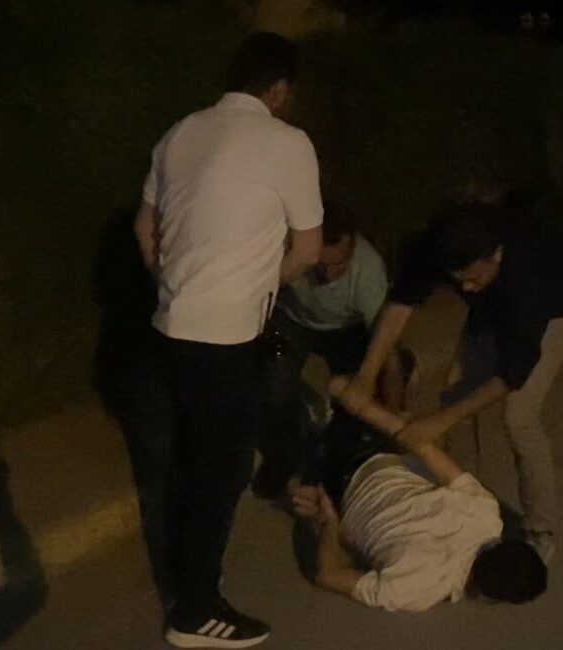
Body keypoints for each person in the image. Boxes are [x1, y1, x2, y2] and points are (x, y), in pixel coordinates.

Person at [133, 33, 324, 649]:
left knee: (186, 461)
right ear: (280, 88)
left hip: (170, 327)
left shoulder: (181, 131)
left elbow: (145, 226)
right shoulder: (287, 143)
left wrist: (176, 284)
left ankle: (187, 580)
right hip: (225, 336)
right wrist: (252, 285)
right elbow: (309, 250)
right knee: (221, 472)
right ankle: (194, 612)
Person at [339, 200, 563, 561]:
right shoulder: (443, 244)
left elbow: (511, 374)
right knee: (458, 396)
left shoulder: (526, 275)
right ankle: (462, 501)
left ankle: (540, 530)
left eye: (475, 278)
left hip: (554, 314)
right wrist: (365, 375)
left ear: (496, 255)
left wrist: (436, 423)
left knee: (518, 418)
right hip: (493, 309)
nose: (467, 289)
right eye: (460, 281)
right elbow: (400, 306)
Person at [290, 375, 548, 612]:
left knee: (363, 397)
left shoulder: (487, 514)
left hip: (374, 456)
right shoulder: (418, 595)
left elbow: (423, 447)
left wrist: (360, 405)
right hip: (334, 500)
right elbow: (328, 575)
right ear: (490, 595)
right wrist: (330, 522)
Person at [252, 203, 390, 500]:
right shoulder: (287, 245)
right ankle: (284, 457)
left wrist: (391, 404)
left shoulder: (368, 270)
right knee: (273, 391)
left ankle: (335, 469)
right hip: (292, 319)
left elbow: (385, 341)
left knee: (352, 402)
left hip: (345, 328)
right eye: (320, 264)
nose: (327, 274)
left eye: (338, 265)